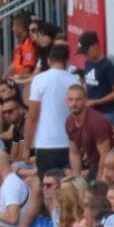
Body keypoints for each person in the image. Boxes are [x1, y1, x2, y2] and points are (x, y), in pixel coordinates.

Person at [24, 43, 77, 173]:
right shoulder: (75, 80)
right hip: (70, 143)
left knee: (47, 182)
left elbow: (32, 117)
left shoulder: (39, 80)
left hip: (46, 143)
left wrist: (26, 148)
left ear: (48, 61)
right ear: (67, 61)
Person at [78, 31, 114, 122]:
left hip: (106, 112)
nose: (85, 55)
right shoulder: (88, 62)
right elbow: (88, 82)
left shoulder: (108, 66)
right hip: (91, 111)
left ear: (95, 46)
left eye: (86, 52)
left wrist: (96, 102)